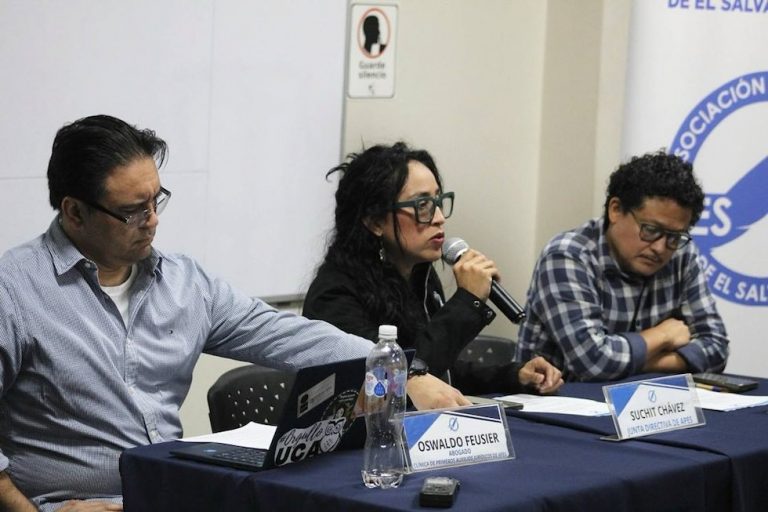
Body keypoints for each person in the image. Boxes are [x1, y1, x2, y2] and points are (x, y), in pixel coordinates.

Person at [0, 116, 460, 511]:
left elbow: (286, 334)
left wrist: (400, 370)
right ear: (74, 213)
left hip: (172, 495)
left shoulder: (184, 284)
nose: (153, 220)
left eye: (157, 200)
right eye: (132, 211)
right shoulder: (15, 291)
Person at [302, 142, 563, 396]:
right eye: (422, 205)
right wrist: (467, 302)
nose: (439, 218)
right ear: (375, 222)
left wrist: (513, 376)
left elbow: (440, 371)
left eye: (438, 201)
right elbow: (397, 379)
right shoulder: (335, 295)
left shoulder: (418, 275)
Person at [517, 151, 729, 381]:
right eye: (651, 230)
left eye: (674, 236)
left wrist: (640, 361)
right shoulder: (568, 255)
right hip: (559, 399)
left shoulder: (682, 255)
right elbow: (594, 363)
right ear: (615, 210)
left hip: (645, 400)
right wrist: (663, 335)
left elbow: (716, 348)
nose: (660, 248)